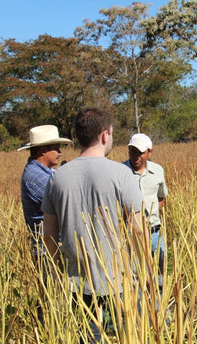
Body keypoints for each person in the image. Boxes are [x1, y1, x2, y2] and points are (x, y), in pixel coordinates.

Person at [42, 107, 144, 342]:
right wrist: (141, 270)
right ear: (104, 135)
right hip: (119, 277)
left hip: (76, 281)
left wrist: (59, 273)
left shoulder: (57, 177)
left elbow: (48, 235)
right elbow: (137, 229)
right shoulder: (121, 174)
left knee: (87, 337)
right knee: (129, 334)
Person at [123, 133, 168, 291]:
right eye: (132, 151)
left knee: (160, 272)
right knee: (136, 276)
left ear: (150, 152)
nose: (136, 156)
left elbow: (161, 197)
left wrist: (152, 214)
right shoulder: (121, 172)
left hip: (155, 231)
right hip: (132, 234)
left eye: (140, 152)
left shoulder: (158, 171)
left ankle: (160, 308)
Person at [18, 125, 72, 255]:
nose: (60, 153)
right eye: (57, 149)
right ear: (43, 150)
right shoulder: (37, 177)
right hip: (48, 251)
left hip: (50, 247)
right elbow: (67, 201)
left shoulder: (41, 172)